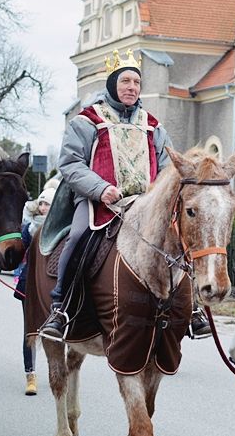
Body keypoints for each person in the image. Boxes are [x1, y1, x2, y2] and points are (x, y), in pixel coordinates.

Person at [40, 48, 174, 338]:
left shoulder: (153, 126)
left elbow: (167, 168)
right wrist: (100, 189)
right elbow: (70, 164)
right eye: (126, 81)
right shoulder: (87, 120)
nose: (132, 88)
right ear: (113, 83)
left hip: (144, 205)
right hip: (97, 202)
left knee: (176, 240)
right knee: (78, 238)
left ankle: (191, 307)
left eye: (136, 83)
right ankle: (60, 307)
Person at [17, 187, 55, 395]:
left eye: (47, 204)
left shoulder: (61, 229)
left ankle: (55, 371)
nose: (42, 208)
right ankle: (30, 375)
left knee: (55, 332)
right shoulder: (29, 228)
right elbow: (18, 251)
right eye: (40, 203)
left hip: (53, 287)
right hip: (29, 286)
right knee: (30, 331)